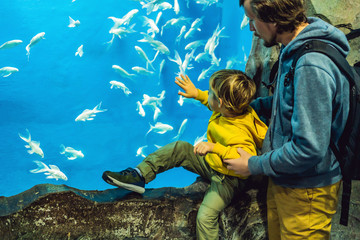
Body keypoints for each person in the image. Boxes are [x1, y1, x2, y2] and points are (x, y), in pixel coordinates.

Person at [223, 0, 350, 239]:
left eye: (252, 19)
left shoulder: (311, 64)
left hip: (307, 191)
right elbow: (292, 103)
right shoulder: (292, 48)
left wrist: (253, 165)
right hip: (285, 179)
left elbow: (309, 149)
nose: (250, 27)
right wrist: (250, 107)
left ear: (272, 19)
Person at [102, 69, 268, 239]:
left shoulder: (239, 131)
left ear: (220, 102)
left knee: (205, 217)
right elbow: (214, 105)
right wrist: (197, 94)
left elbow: (245, 158)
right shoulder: (232, 109)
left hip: (228, 180)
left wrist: (214, 148)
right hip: (213, 163)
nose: (207, 94)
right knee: (179, 148)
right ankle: (139, 175)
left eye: (210, 93)